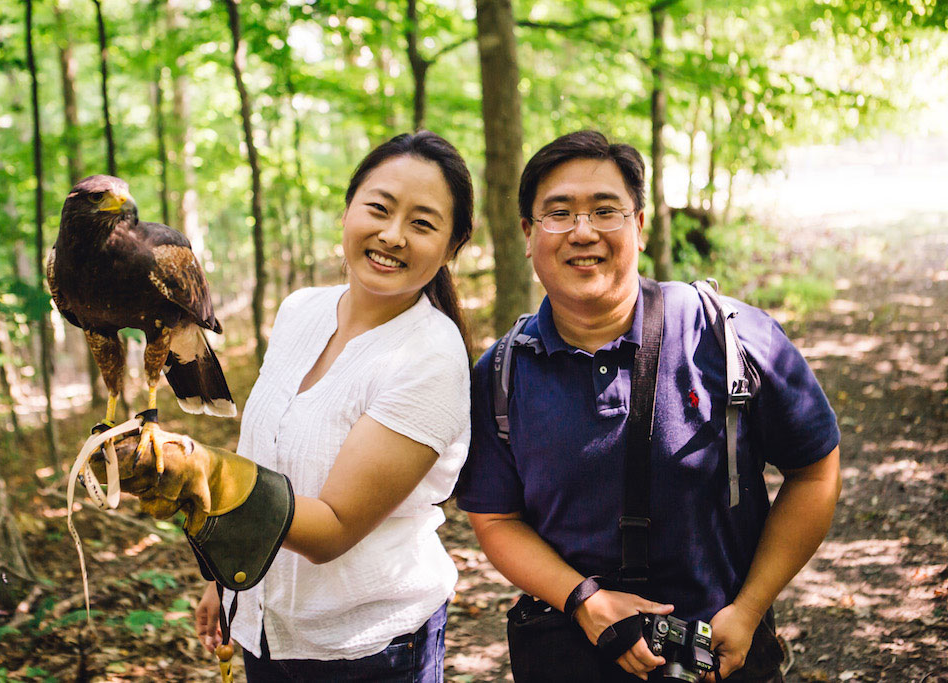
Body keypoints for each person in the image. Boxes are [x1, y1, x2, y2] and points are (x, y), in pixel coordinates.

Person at [455, 130, 841, 682]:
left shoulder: (728, 336)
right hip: (570, 652)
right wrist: (584, 600)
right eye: (558, 213)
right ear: (527, 234)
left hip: (721, 652)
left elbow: (816, 470)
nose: (582, 231)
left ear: (638, 225)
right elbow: (495, 518)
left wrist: (750, 608)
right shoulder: (500, 374)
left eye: (604, 210)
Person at [109, 131, 474, 682]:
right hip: (264, 631)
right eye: (378, 208)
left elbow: (331, 528)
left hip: (367, 650)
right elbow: (268, 455)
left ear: (451, 246)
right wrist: (223, 580)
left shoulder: (430, 358)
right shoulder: (302, 310)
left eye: (423, 224)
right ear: (347, 209)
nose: (393, 235)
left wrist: (201, 469)